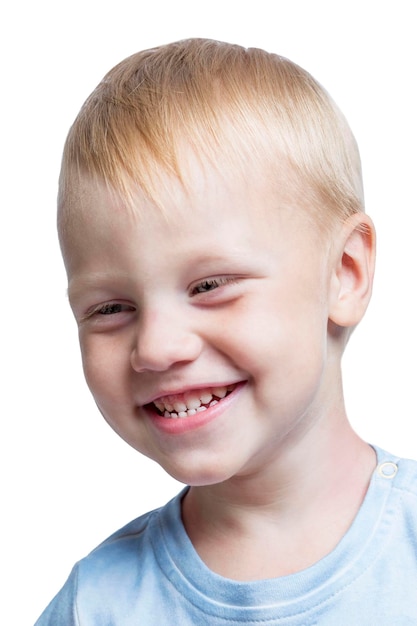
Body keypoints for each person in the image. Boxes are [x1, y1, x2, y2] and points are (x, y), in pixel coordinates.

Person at [35, 38, 417, 624]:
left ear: (345, 274)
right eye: (110, 308)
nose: (157, 347)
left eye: (210, 286)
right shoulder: (96, 606)